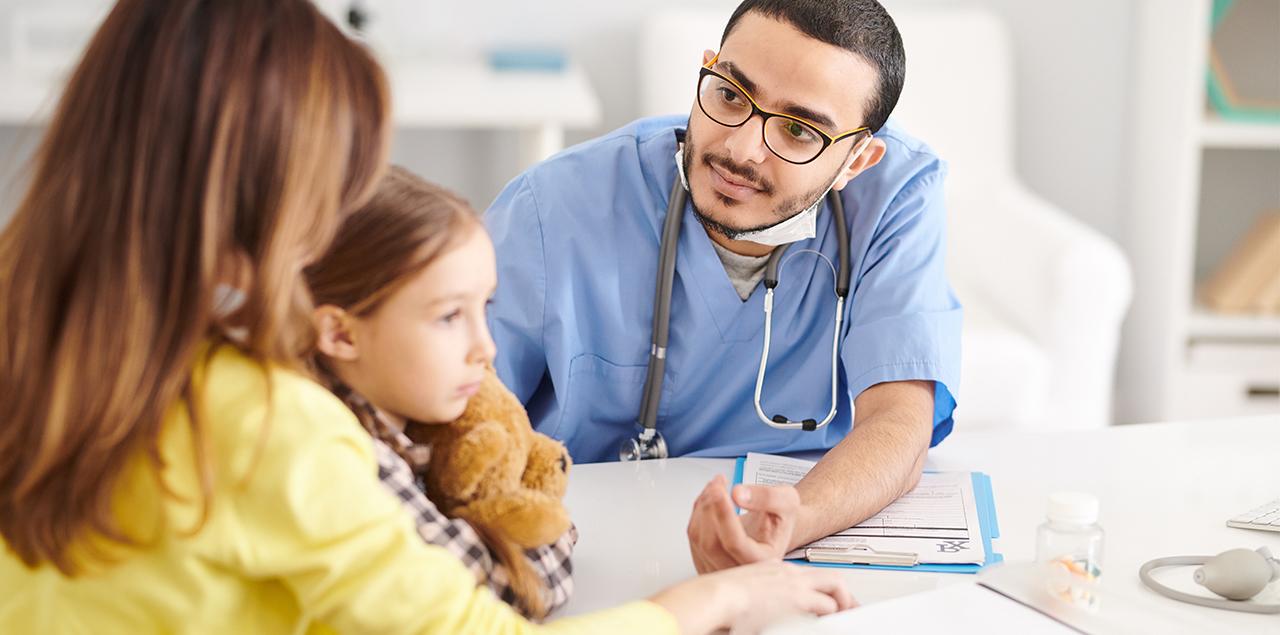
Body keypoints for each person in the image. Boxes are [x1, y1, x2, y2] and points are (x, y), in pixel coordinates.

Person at [0, 1, 853, 632]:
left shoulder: (33, 343)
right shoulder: (264, 424)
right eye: (332, 185)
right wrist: (717, 597)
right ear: (252, 206)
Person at [485, 0, 962, 574]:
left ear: (857, 161)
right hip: (586, 545)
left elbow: (899, 423)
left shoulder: (895, 197)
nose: (740, 150)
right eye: (731, 95)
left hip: (802, 543)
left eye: (797, 129)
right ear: (708, 68)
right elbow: (452, 416)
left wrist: (787, 522)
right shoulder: (556, 205)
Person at [304, 166, 577, 619]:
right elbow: (511, 592)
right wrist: (551, 522)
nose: (485, 348)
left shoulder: (408, 419)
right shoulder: (349, 455)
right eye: (449, 316)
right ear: (341, 334)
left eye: (483, 306)